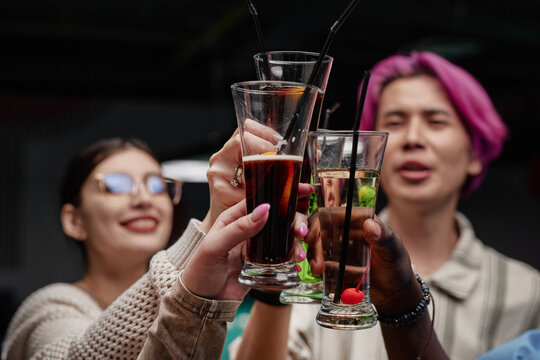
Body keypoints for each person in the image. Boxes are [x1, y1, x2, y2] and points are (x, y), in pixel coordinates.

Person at [230, 51, 540, 360]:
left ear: (474, 152)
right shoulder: (317, 269)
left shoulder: (527, 295)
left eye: (436, 121)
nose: (413, 139)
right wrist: (275, 288)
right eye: (396, 121)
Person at [1, 136, 310, 360]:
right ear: (74, 220)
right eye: (118, 185)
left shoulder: (211, 299)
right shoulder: (48, 310)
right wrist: (203, 232)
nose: (143, 198)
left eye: (156, 185)